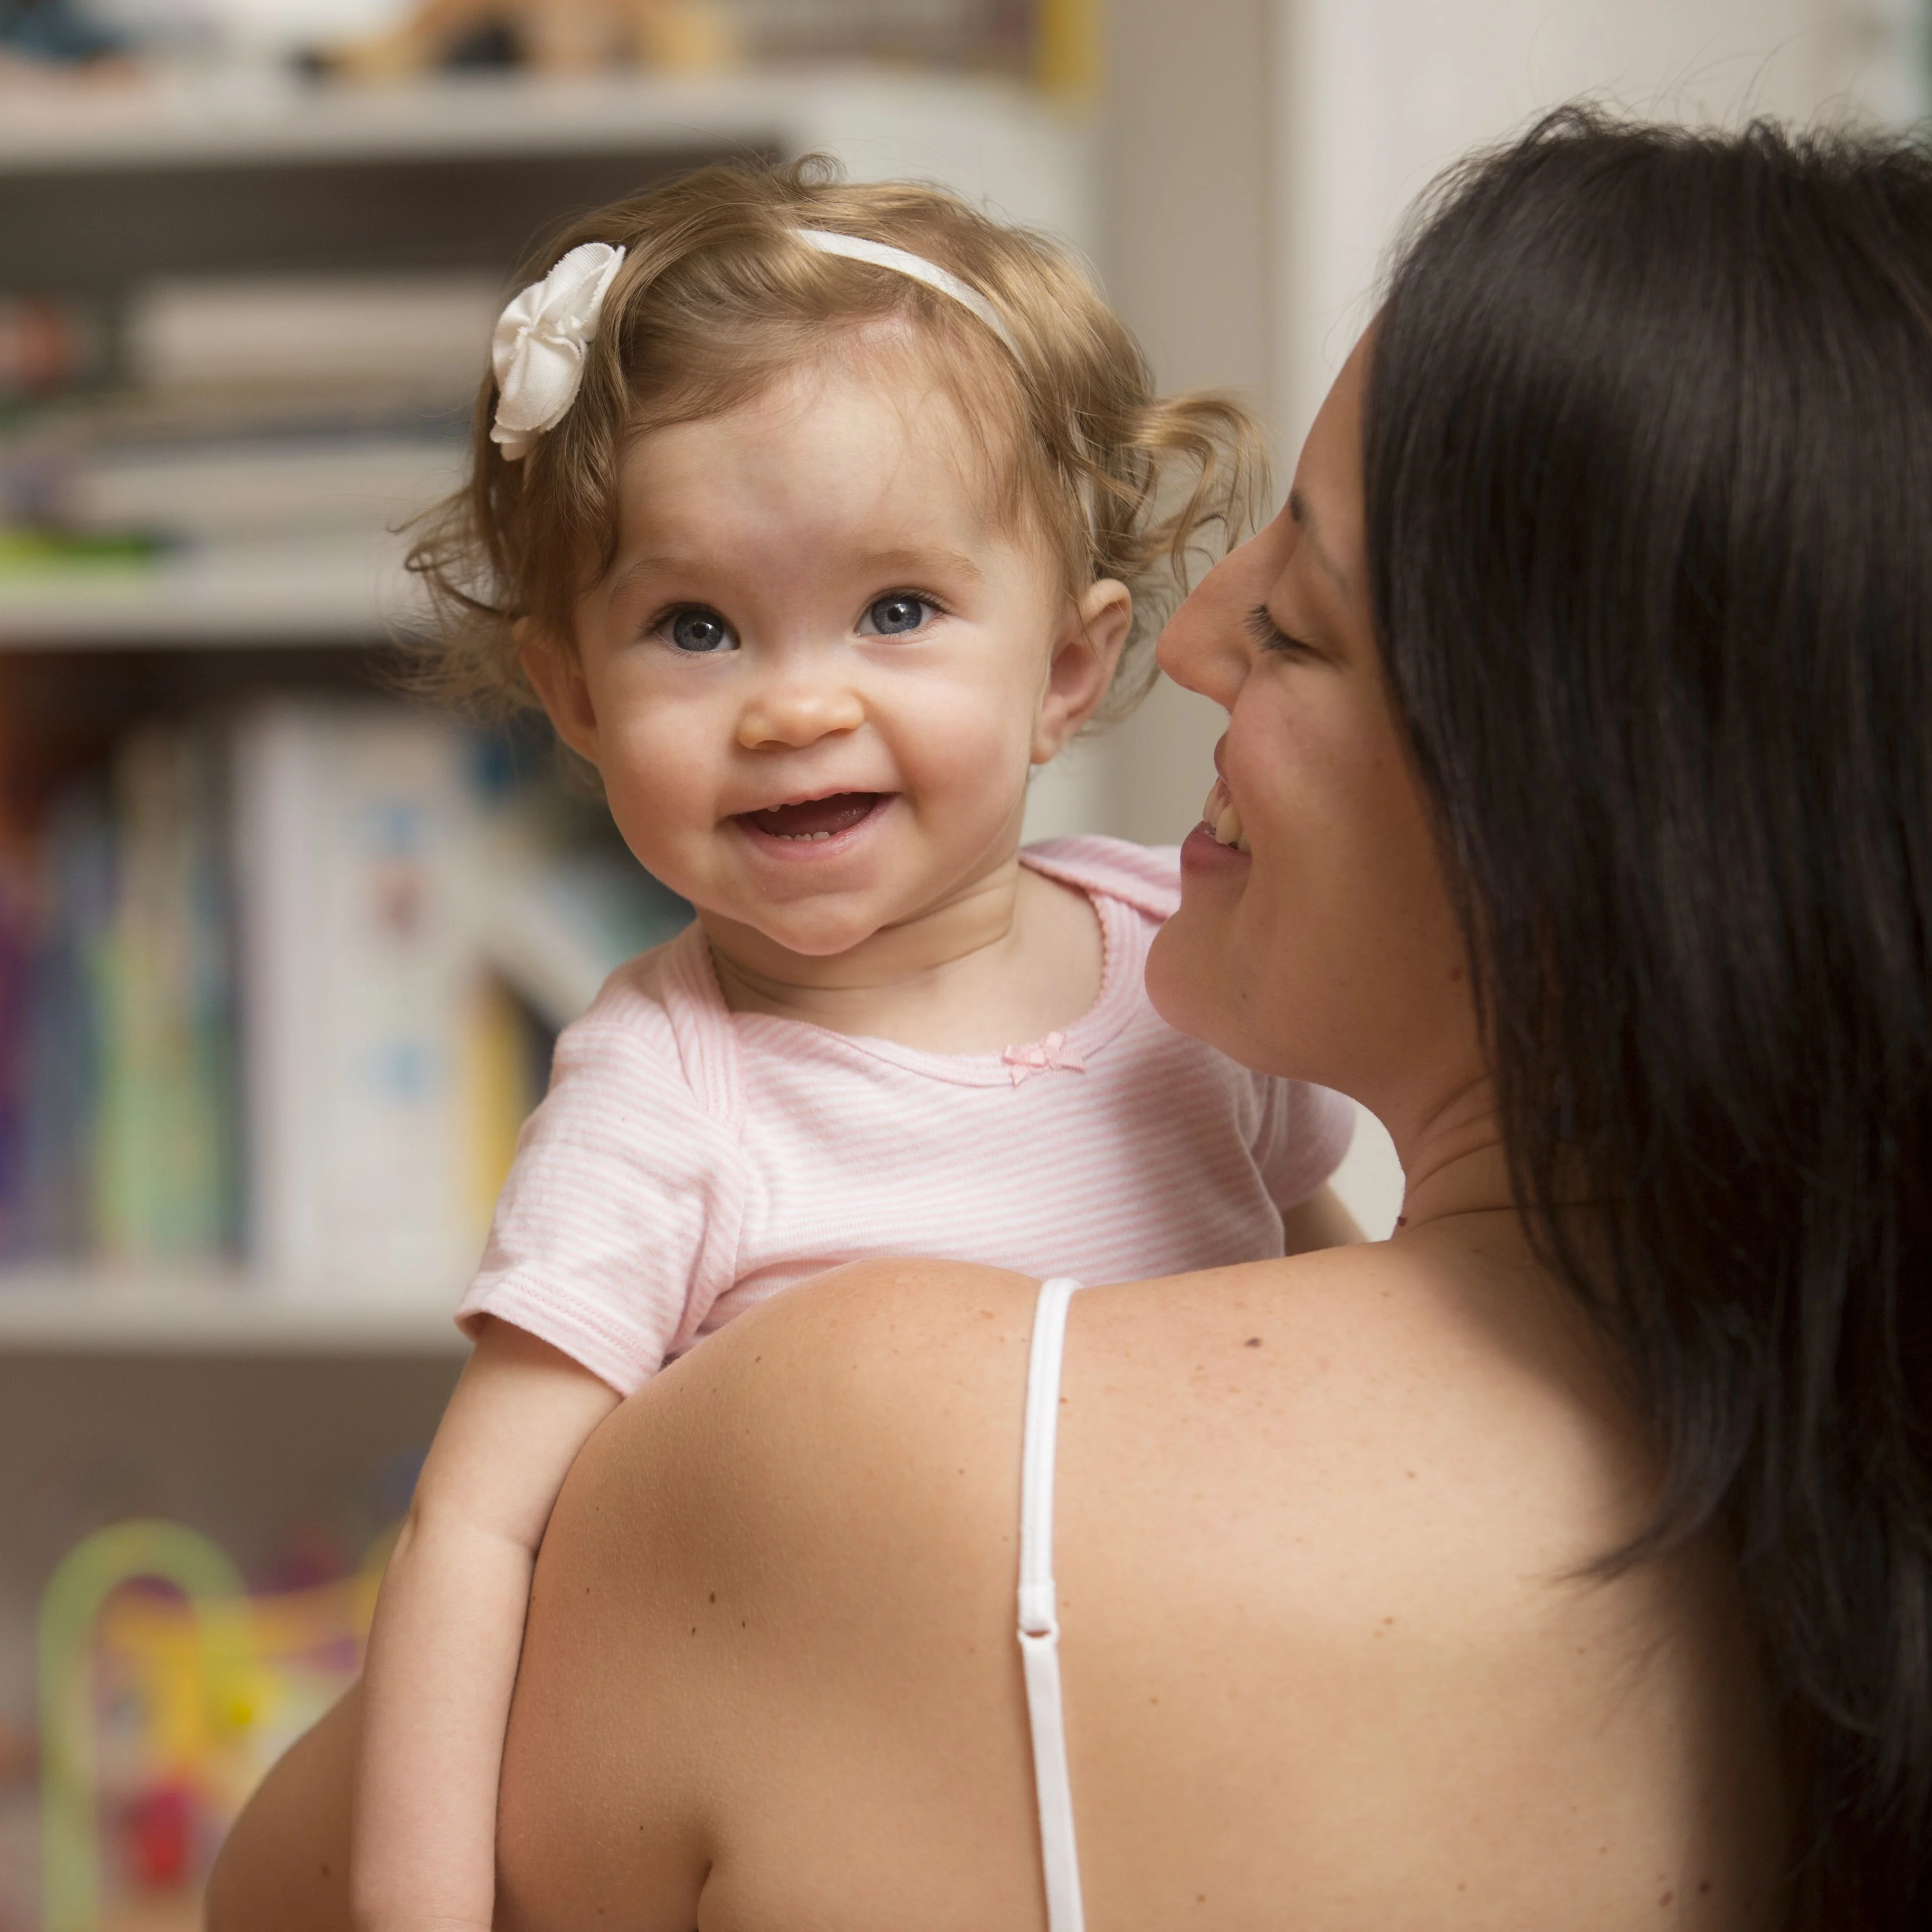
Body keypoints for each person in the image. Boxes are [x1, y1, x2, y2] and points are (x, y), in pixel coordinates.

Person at [210, 108, 1932, 1929]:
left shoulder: (851, 1433)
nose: (1194, 642)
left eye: (1303, 624)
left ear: (1570, 797)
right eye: (697, 629)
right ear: (568, 684)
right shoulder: (1823, 1485)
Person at [345, 161, 1361, 1932]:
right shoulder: (673, 1090)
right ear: (572, 693)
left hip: (1229, 1770)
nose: (796, 700)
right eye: (694, 627)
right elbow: (474, 1535)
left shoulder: (1171, 956)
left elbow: (1333, 1295)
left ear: (1066, 660)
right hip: (862, 1827)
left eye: (896, 610)